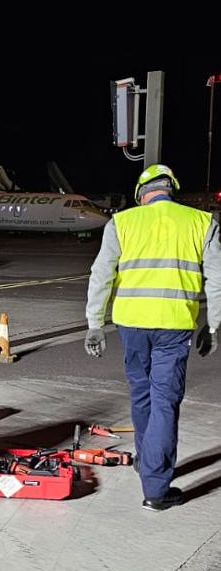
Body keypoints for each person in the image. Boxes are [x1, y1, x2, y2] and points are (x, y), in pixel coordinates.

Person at [84, 163, 221, 511]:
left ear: (141, 194)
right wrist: (214, 325)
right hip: (173, 325)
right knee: (164, 400)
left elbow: (101, 274)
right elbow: (217, 281)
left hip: (130, 324)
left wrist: (95, 323)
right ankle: (156, 488)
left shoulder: (122, 222)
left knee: (142, 395)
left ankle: (147, 462)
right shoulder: (202, 222)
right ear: (171, 188)